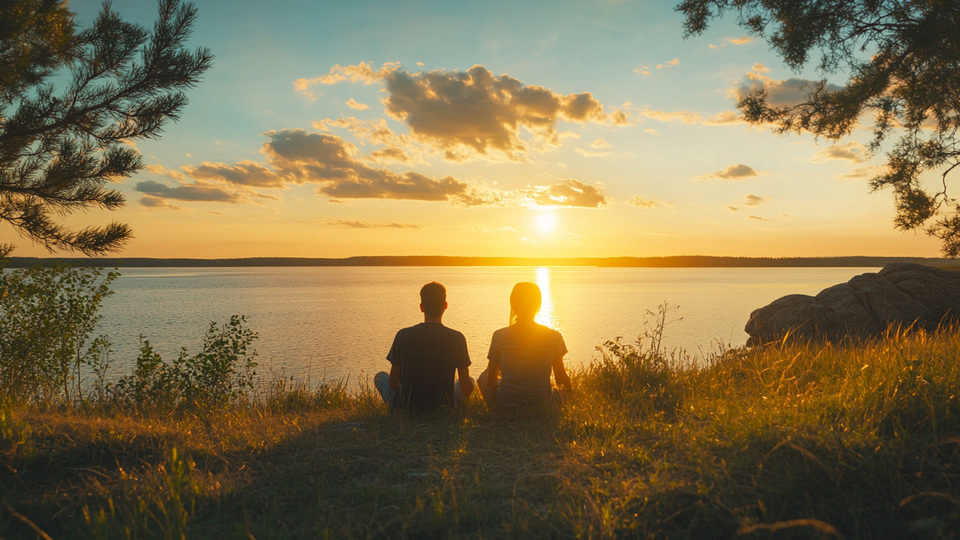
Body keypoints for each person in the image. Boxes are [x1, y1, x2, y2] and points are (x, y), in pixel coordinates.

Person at [374, 281, 474, 411]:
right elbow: (465, 389)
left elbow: (393, 384)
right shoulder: (457, 338)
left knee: (380, 376)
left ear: (421, 307)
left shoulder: (403, 336)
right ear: (445, 306)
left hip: (408, 406)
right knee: (470, 380)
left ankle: (397, 408)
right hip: (444, 406)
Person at [479, 282, 572, 409]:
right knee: (560, 391)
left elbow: (490, 382)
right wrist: (570, 395)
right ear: (537, 305)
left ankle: (495, 407)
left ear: (513, 304)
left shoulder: (499, 336)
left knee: (483, 376)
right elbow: (560, 378)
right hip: (543, 404)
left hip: (506, 404)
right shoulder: (554, 336)